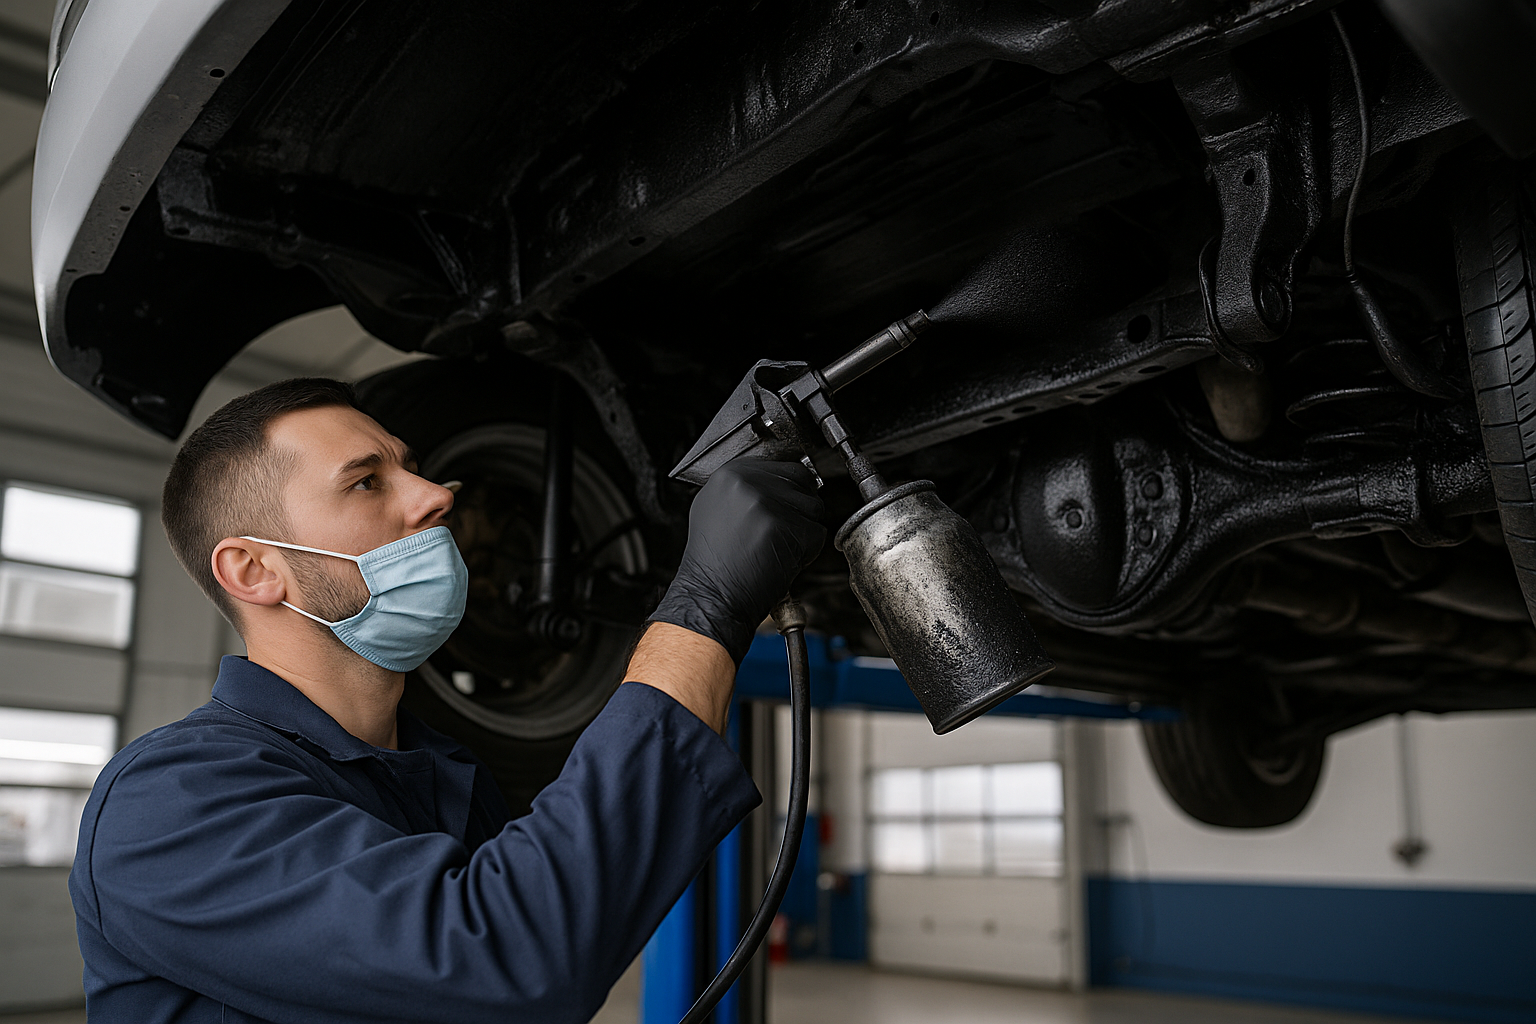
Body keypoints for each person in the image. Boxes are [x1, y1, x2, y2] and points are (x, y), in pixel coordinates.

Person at [69, 377, 825, 1024]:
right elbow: (506, 959)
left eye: (415, 468)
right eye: (367, 481)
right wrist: (703, 606)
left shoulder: (441, 775)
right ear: (255, 571)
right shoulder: (168, 799)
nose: (437, 495)